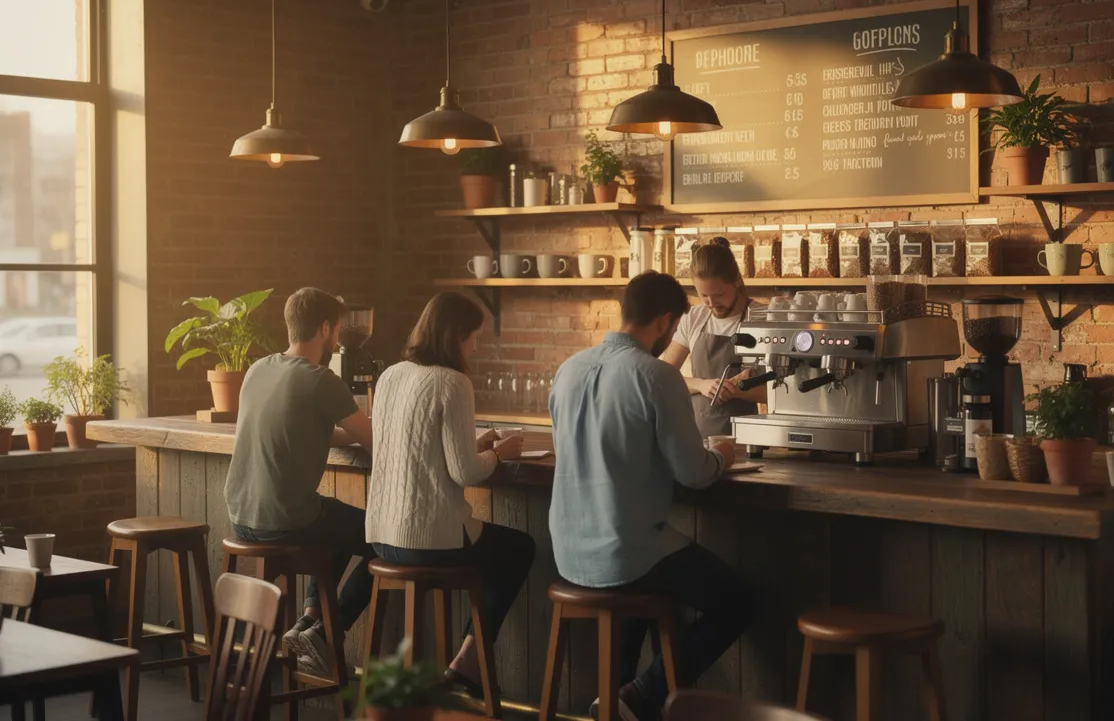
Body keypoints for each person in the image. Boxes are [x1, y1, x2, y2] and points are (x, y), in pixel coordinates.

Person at [549, 271, 752, 721]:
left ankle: (615, 703)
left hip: (568, 553)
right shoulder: (657, 376)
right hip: (624, 554)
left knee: (642, 572)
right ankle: (642, 694)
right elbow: (693, 473)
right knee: (737, 601)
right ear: (664, 321)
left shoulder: (568, 370)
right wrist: (721, 455)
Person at [364, 292, 534, 698]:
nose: (476, 346)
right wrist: (497, 452)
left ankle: (462, 665)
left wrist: (475, 443)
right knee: (521, 548)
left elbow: (418, 446)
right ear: (456, 335)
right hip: (430, 542)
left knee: (506, 548)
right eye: (474, 337)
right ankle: (467, 662)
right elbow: (465, 471)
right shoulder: (453, 382)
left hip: (381, 537)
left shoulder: (391, 375)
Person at [224, 287, 375, 676]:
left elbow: (302, 425)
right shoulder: (320, 379)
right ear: (325, 328)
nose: (339, 336)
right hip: (284, 522)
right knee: (386, 538)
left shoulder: (259, 369)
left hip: (241, 518)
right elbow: (375, 438)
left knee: (337, 521)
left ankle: (308, 621)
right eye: (338, 328)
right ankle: (327, 631)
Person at [659, 238, 765, 437]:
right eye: (704, 295)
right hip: (696, 439)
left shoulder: (762, 318)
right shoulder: (694, 318)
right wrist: (701, 384)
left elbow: (779, 393)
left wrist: (736, 391)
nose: (712, 303)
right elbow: (664, 379)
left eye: (719, 294)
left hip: (746, 440)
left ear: (737, 280)